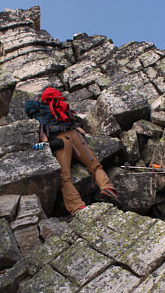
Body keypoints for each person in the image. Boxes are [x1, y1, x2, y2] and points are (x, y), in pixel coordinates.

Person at [25, 87, 120, 217]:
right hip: (76, 136)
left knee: (64, 177)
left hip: (61, 141)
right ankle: (107, 188)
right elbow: (80, 128)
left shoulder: (41, 112)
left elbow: (43, 132)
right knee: (94, 165)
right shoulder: (61, 107)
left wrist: (45, 143)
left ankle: (77, 206)